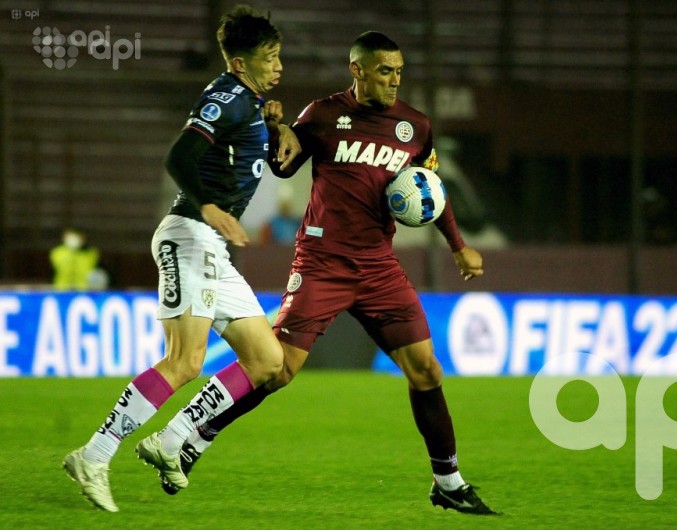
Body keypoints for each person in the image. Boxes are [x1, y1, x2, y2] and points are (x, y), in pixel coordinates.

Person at [153, 31, 497, 515]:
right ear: (357, 70)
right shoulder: (320, 115)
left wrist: (459, 247)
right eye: (384, 71)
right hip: (322, 264)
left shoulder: (415, 127)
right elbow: (281, 166)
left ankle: (448, 480)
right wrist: (278, 132)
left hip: (379, 267)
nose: (394, 80)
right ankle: (193, 435)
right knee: (278, 370)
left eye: (399, 71)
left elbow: (429, 189)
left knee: (426, 370)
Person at [62, 5, 300, 512]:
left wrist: (270, 122)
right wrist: (209, 205)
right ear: (240, 63)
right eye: (270, 57)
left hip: (210, 245)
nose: (279, 66)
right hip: (190, 233)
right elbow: (179, 157)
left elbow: (247, 155)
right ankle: (93, 454)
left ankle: (173, 438)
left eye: (280, 55)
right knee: (185, 361)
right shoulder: (226, 96)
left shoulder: (250, 102)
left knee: (267, 360)